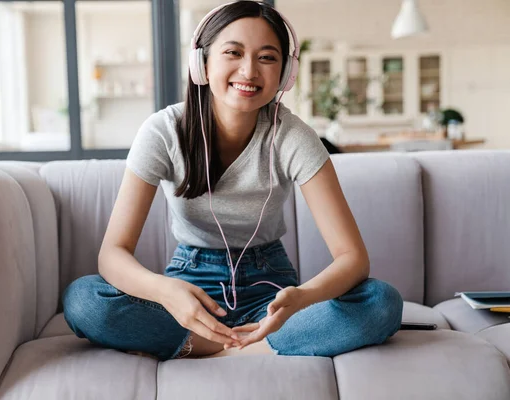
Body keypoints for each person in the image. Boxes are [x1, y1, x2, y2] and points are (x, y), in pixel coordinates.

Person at [62, 1, 403, 362]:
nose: (249, 70)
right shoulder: (163, 132)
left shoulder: (294, 137)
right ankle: (237, 345)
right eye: (233, 52)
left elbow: (353, 258)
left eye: (267, 57)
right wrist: (165, 292)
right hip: (190, 285)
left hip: (269, 287)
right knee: (84, 300)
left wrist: (302, 297)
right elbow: (112, 254)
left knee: (381, 302)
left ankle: (240, 341)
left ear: (286, 74)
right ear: (202, 64)